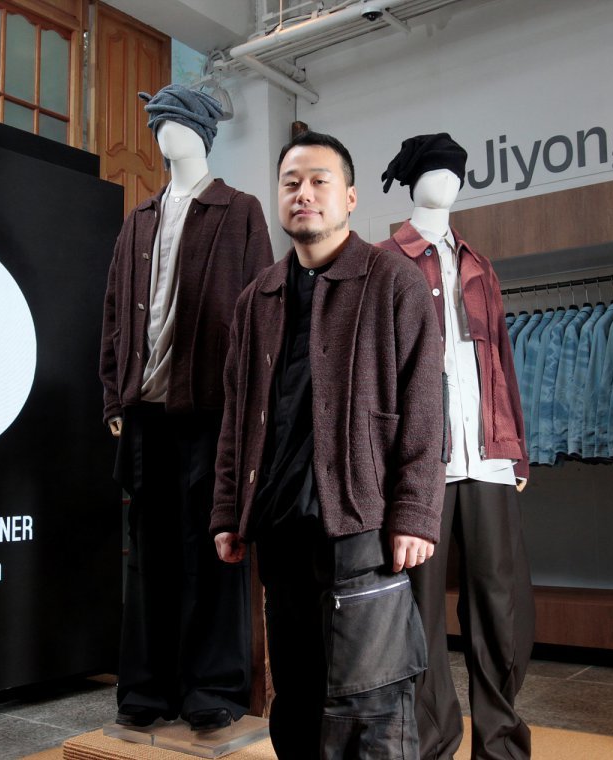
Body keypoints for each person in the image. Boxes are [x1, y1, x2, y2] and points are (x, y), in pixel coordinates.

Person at [210, 130, 445, 758]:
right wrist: (230, 510)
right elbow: (237, 419)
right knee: (296, 699)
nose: (304, 194)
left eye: (319, 181)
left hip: (361, 524)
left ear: (350, 197)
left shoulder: (393, 281)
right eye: (291, 183)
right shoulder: (256, 298)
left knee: (371, 705)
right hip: (280, 529)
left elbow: (426, 405)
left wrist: (415, 513)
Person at [99, 84, 272, 732]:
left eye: (171, 120)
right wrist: (114, 395)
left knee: (214, 550)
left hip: (211, 411)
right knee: (149, 555)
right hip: (145, 412)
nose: (161, 132)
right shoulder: (138, 220)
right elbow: (114, 315)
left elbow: (263, 315)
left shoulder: (240, 211)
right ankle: (147, 688)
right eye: (155, 123)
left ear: (201, 131)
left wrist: (252, 411)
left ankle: (214, 687)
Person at [379, 133, 535, 760]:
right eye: (436, 170)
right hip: (422, 464)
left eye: (456, 172)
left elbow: (501, 360)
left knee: (500, 603)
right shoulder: (384, 262)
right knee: (419, 606)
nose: (448, 182)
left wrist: (515, 446)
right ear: (411, 180)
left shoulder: (478, 265)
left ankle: (500, 743)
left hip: (488, 456)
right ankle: (430, 742)